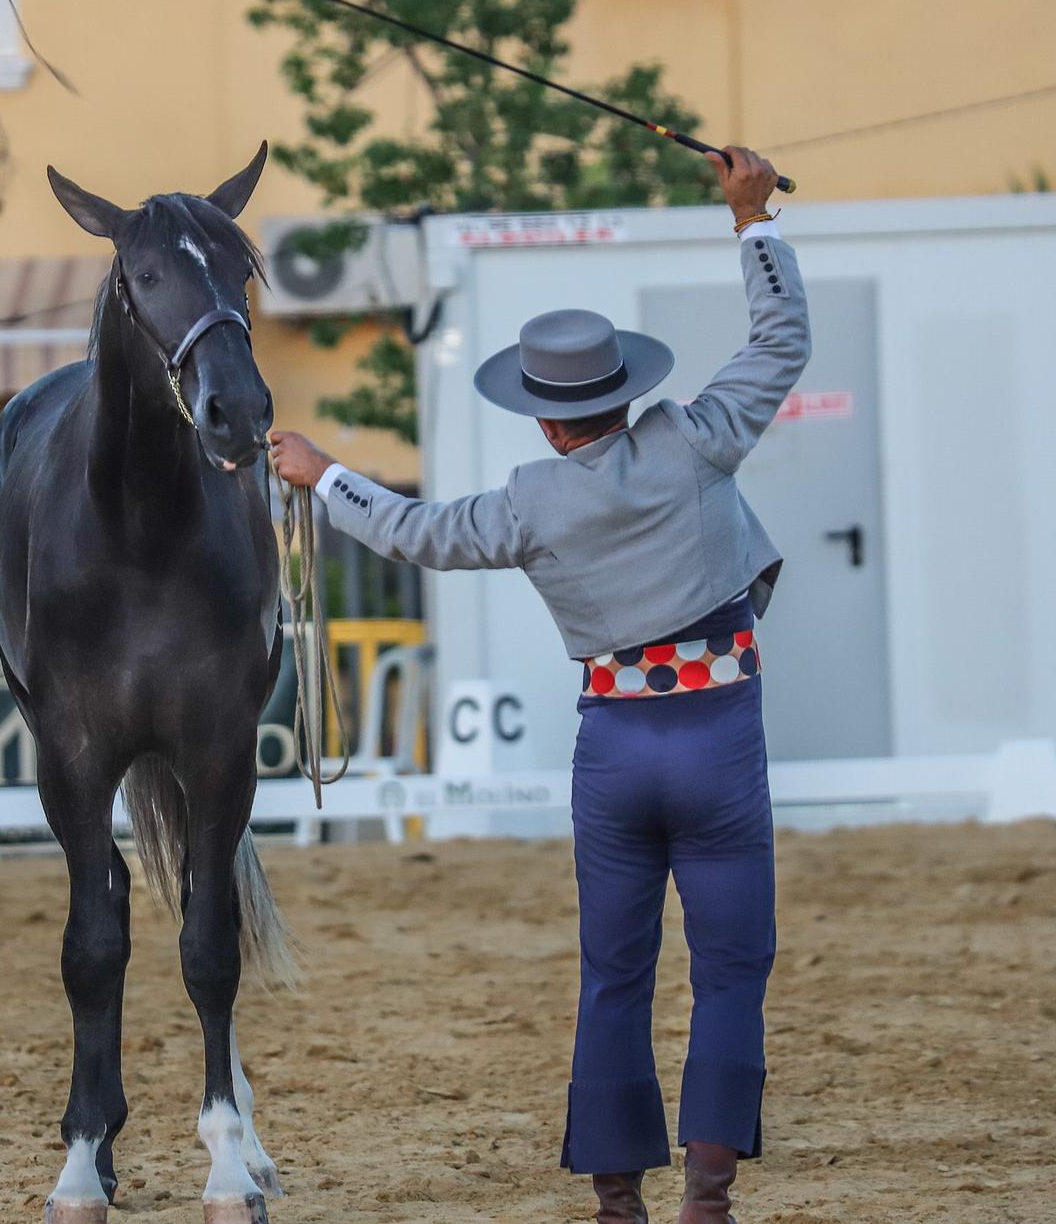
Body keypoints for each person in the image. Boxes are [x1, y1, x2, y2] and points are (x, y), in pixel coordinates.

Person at [268, 147, 805, 1224]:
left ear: (547, 421)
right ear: (625, 393)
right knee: (729, 970)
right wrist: (747, 218)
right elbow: (781, 338)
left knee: (612, 971)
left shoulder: (527, 499)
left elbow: (412, 533)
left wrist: (322, 472)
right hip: (716, 735)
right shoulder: (695, 438)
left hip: (611, 750)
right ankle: (708, 1198)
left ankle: (617, 1202)